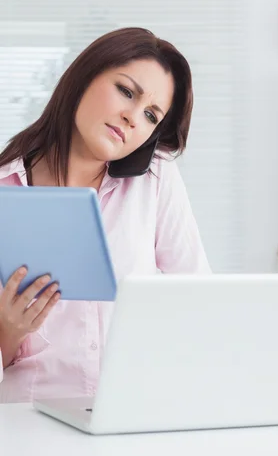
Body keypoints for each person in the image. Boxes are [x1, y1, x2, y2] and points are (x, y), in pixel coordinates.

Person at [0, 27, 210, 403]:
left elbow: (198, 301)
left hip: (133, 409)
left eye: (151, 115)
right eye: (126, 91)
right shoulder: (5, 189)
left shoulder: (155, 179)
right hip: (28, 417)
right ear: (84, 77)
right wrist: (6, 333)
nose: (133, 118)